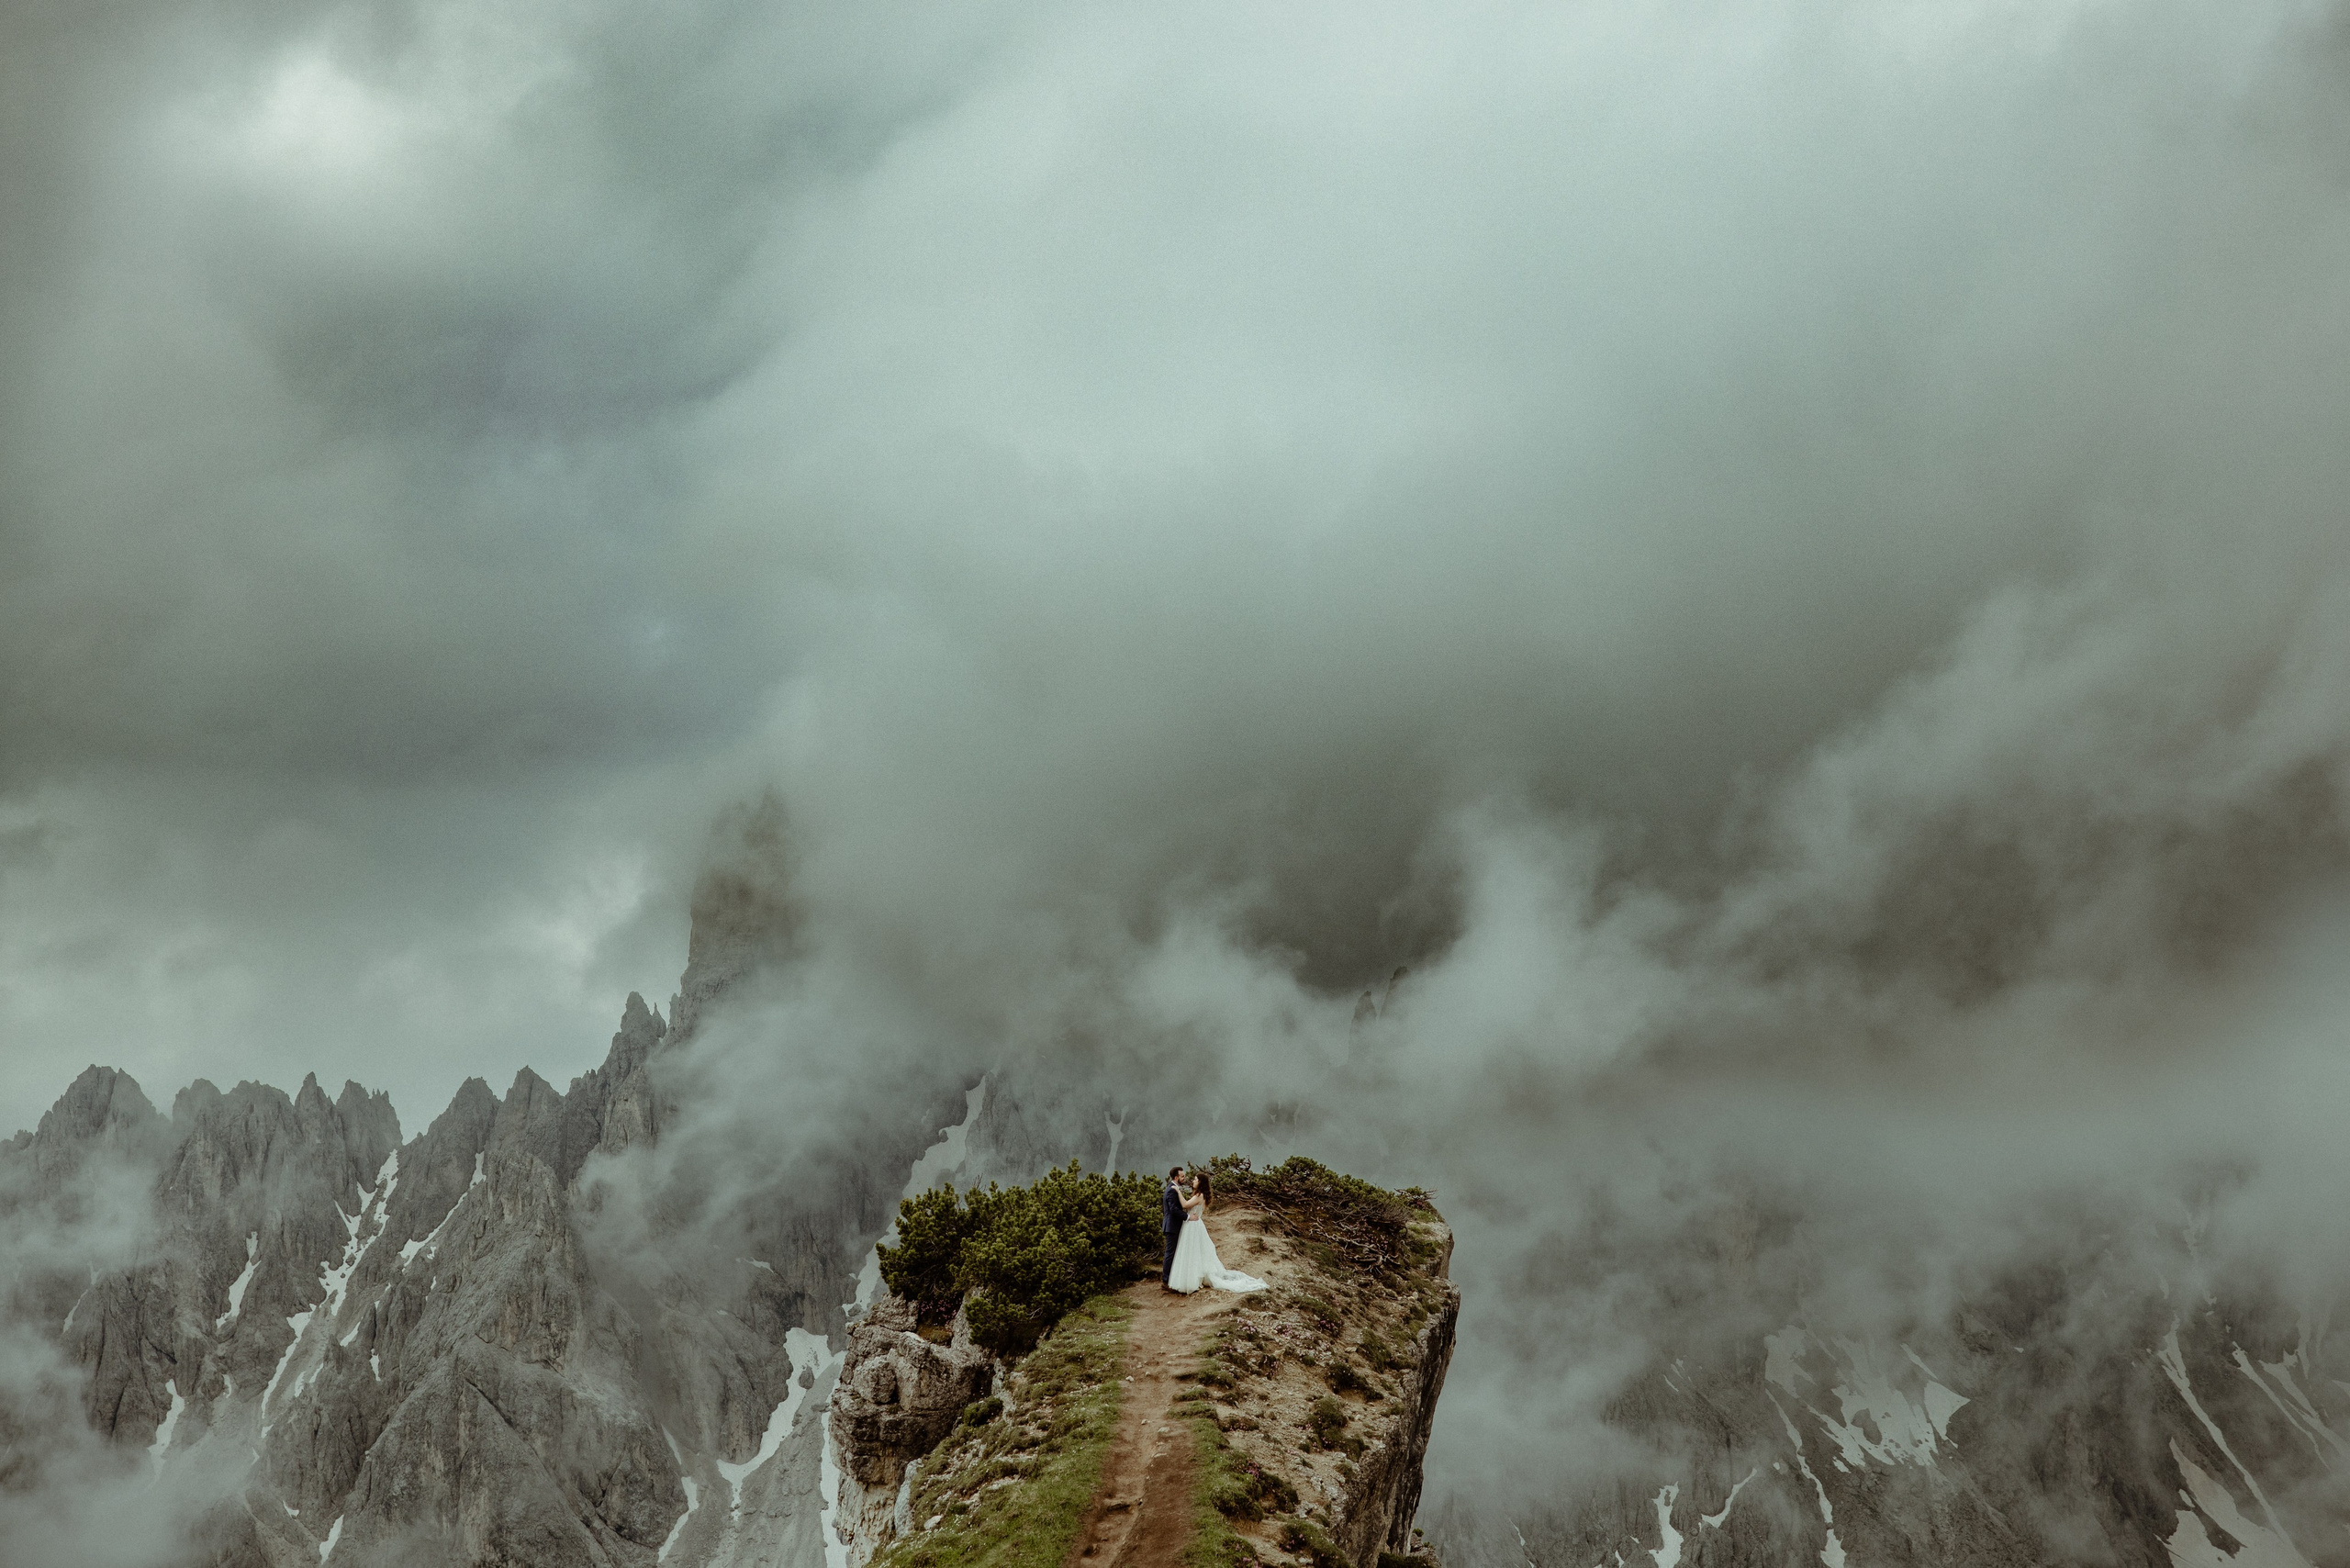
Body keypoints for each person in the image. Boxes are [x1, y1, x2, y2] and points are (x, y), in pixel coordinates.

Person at [1167, 1169, 1268, 1295]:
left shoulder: (1199, 1195)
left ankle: (1191, 1280)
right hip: (1195, 1224)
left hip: (1192, 1225)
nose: (1193, 1181)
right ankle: (1194, 1277)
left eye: (1196, 1180)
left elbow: (1185, 1205)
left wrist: (1178, 1191)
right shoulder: (1201, 1195)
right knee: (1195, 1252)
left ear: (1200, 1182)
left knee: (1192, 1252)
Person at [1161, 1166, 1188, 1290]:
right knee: (1170, 1253)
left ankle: (1170, 1279)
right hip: (1172, 1226)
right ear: (1176, 1177)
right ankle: (1166, 1281)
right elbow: (1173, 1209)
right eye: (1182, 1176)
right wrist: (1187, 1217)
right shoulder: (1172, 1190)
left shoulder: (1172, 1188)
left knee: (1171, 1252)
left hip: (1171, 1225)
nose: (1184, 1178)